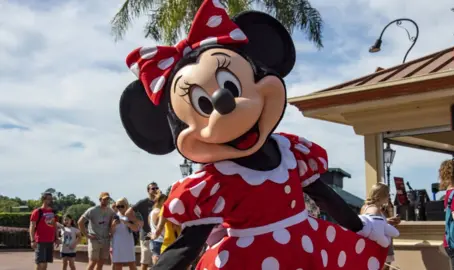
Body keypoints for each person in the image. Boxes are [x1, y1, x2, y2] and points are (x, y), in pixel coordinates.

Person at [118, 0, 399, 268]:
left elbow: (324, 195)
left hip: (306, 247)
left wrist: (362, 228)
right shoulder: (216, 181)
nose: (224, 103)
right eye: (204, 104)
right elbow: (189, 244)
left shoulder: (291, 153)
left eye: (231, 86)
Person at [361, 183, 401, 270]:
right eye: (387, 194)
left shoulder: (369, 207)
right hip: (380, 248)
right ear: (382, 195)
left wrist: (387, 220)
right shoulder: (374, 209)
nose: (389, 196)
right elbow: (375, 227)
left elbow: (372, 224)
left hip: (381, 247)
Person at [78, 192, 115, 270]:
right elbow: (80, 222)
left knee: (101, 263)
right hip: (95, 239)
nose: (106, 201)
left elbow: (113, 223)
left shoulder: (111, 211)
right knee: (93, 262)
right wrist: (86, 235)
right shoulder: (92, 210)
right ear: (100, 199)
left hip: (105, 240)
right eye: (104, 199)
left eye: (108, 199)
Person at [126, 182, 159, 270]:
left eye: (156, 188)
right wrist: (138, 221)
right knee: (145, 261)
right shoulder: (143, 202)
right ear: (148, 191)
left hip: (158, 236)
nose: (155, 190)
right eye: (153, 188)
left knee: (157, 261)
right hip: (146, 235)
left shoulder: (160, 202)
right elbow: (128, 213)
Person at [29, 192, 60, 270]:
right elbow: (32, 227)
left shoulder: (53, 212)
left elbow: (55, 226)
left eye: (51, 199)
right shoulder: (37, 212)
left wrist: (57, 238)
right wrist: (32, 240)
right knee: (41, 263)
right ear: (43, 199)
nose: (50, 201)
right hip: (40, 241)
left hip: (50, 241)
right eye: (48, 199)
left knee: (45, 264)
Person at [111, 197, 142, 270]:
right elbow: (111, 232)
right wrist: (113, 226)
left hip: (128, 242)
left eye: (122, 206)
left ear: (126, 205)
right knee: (118, 264)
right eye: (118, 206)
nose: (120, 208)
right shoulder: (115, 216)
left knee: (131, 263)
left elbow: (136, 228)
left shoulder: (131, 215)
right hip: (117, 242)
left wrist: (127, 223)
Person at [148, 192, 168, 264]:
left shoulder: (152, 212)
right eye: (165, 200)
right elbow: (160, 226)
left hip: (155, 240)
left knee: (156, 261)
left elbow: (150, 224)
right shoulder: (159, 212)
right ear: (159, 201)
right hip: (160, 240)